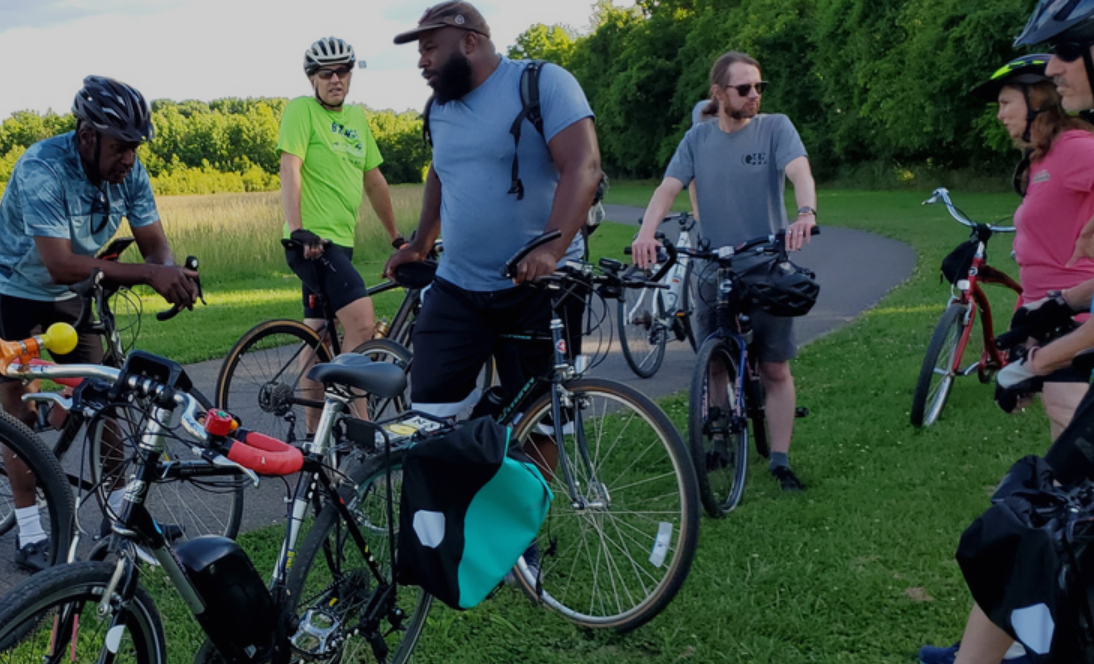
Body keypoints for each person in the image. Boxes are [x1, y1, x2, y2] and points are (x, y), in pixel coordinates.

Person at [834, 0, 1094, 664]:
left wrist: (1040, 359)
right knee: (1063, 520)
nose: (1052, 70)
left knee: (1027, 517)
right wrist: (1057, 305)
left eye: (1068, 49)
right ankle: (1011, 660)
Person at [0, 75, 200, 571]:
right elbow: (59, 263)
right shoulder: (42, 168)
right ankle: (30, 531)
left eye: (135, 148)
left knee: (105, 396)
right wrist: (148, 274)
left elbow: (154, 244)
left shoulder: (129, 172)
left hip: (71, 291)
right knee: (19, 409)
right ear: (87, 135)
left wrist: (170, 272)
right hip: (11, 286)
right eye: (120, 147)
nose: (129, 159)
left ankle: (120, 513)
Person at [383, 1, 603, 426]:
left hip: (540, 288)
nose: (422, 62)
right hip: (458, 287)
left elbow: (583, 165)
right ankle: (453, 468)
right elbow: (441, 172)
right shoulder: (439, 108)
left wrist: (550, 249)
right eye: (420, 52)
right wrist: (420, 243)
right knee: (426, 417)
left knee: (541, 420)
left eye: (430, 48)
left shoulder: (542, 83)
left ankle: (522, 468)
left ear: (470, 42)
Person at [632, 51, 819, 493]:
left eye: (759, 87)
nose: (754, 95)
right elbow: (668, 187)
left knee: (774, 367)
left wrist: (805, 212)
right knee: (715, 363)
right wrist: (645, 232)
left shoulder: (775, 128)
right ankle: (717, 440)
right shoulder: (697, 139)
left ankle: (780, 461)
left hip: (766, 263)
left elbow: (799, 171)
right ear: (718, 94)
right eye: (744, 88)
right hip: (713, 265)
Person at [981, 53, 1094, 440]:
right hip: (1043, 309)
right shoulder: (1041, 160)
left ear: (1037, 100)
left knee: (1072, 419)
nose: (1000, 115)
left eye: (1006, 103)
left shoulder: (1072, 145)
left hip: (1077, 307)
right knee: (1061, 420)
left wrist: (1092, 229)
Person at [281, 36, 403, 354]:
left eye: (342, 71)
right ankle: (349, 390)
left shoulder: (357, 118)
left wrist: (396, 238)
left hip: (342, 242)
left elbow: (374, 181)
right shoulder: (302, 110)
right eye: (326, 73)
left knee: (319, 335)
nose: (335, 79)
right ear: (312, 78)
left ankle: (312, 391)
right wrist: (297, 229)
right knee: (362, 323)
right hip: (314, 244)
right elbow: (290, 168)